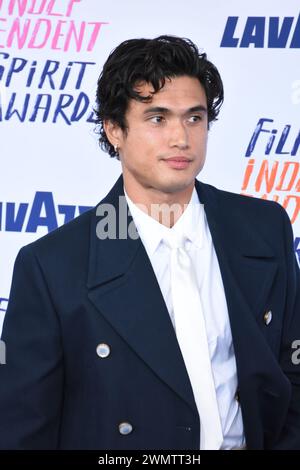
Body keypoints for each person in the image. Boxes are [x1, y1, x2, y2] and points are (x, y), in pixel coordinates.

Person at [0, 35, 299, 450]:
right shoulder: (52, 266)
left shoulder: (263, 228)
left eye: (194, 118)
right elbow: (24, 430)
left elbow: (292, 373)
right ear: (114, 129)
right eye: (157, 118)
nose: (181, 138)